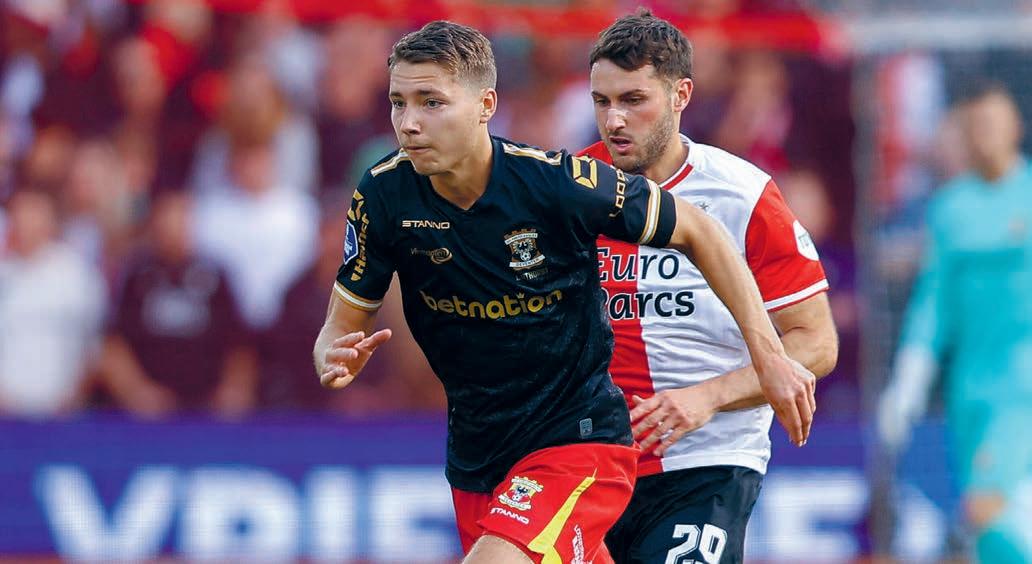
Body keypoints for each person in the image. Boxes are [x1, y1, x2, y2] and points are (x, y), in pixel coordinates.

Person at [313, 21, 815, 564]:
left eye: (431, 102)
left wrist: (768, 356)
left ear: (485, 105)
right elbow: (339, 327)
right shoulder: (383, 194)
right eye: (398, 103)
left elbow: (702, 230)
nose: (409, 123)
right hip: (479, 458)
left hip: (577, 442)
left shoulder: (558, 184)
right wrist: (331, 355)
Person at [578, 11, 838, 563]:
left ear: (681, 95)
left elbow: (816, 343)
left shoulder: (742, 193)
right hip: (588, 459)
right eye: (602, 101)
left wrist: (707, 397)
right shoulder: (570, 188)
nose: (615, 119)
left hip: (707, 461)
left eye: (633, 99)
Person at [878, 83, 1032, 563]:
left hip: (1021, 382)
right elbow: (934, 300)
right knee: (995, 521)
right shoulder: (950, 208)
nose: (985, 135)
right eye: (976, 126)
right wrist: (911, 374)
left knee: (988, 503)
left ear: (1015, 128)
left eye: (993, 124)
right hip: (968, 385)